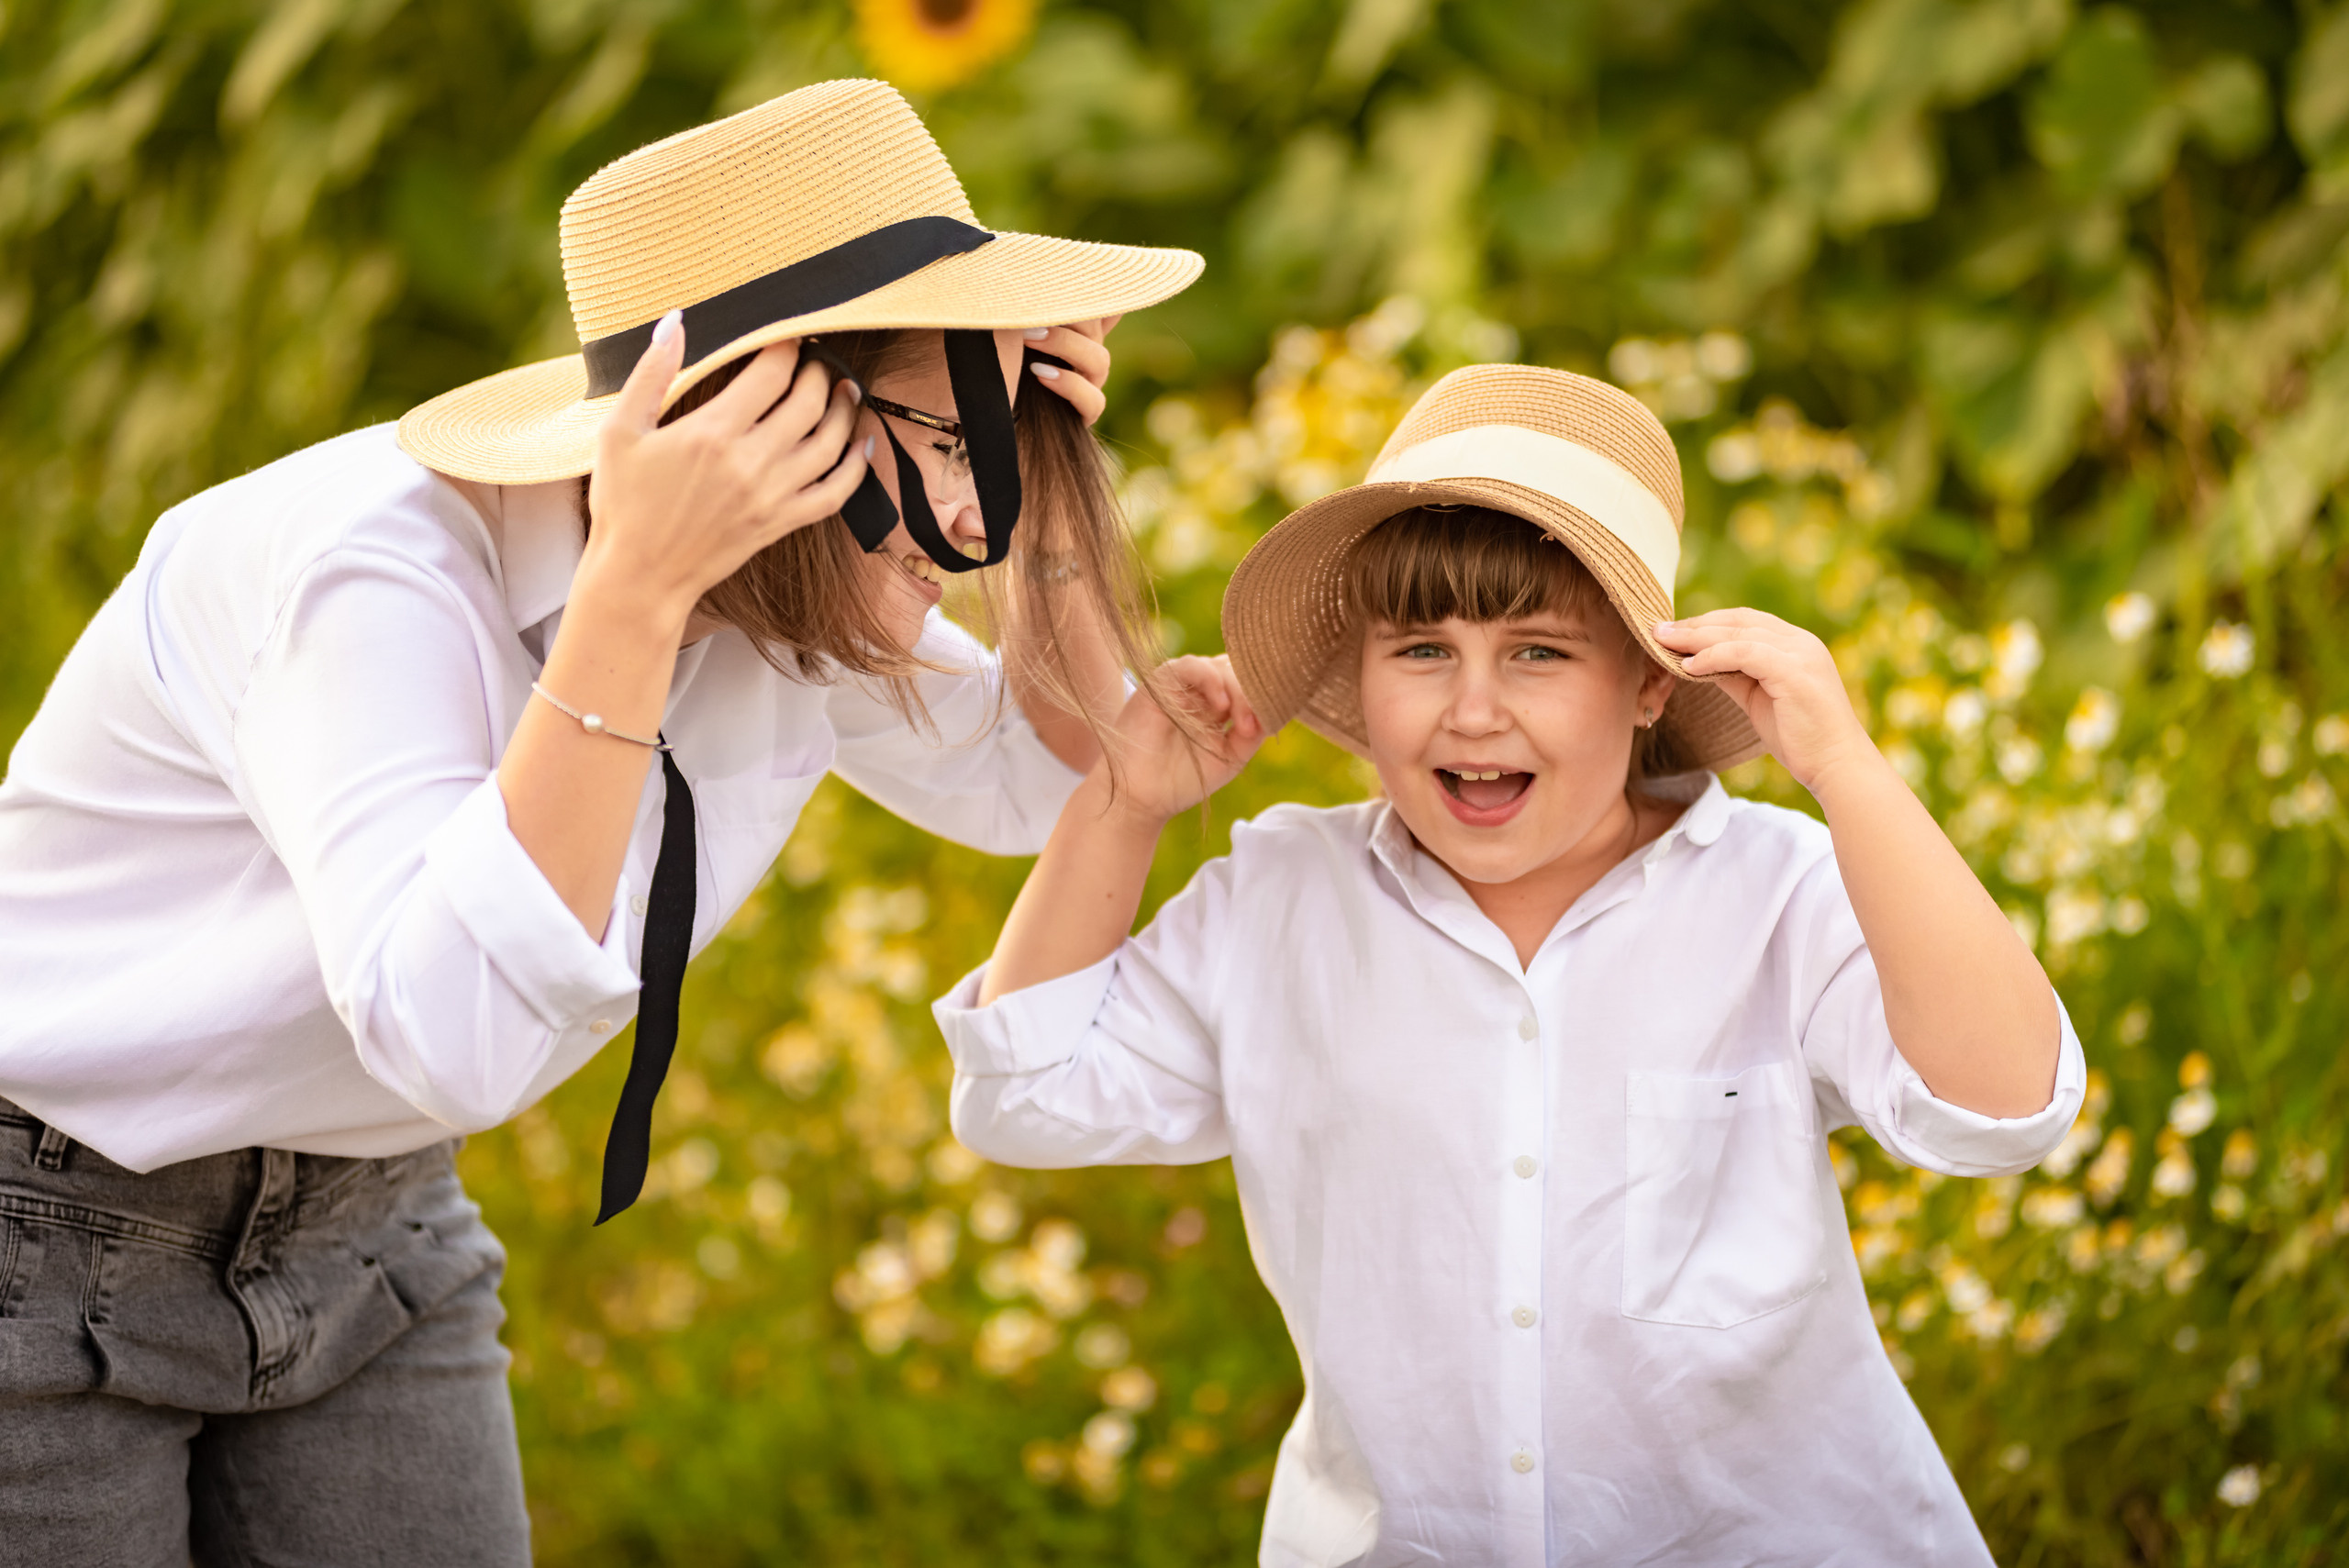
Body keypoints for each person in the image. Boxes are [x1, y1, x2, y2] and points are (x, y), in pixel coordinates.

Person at [0, 79, 1198, 1564]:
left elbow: (1041, 772)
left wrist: (1049, 482)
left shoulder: (781, 592)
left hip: (371, 1219)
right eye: (958, 453)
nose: (976, 533)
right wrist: (631, 594)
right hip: (41, 1228)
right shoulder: (376, 575)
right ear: (773, 424)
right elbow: (460, 1036)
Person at [934, 363, 2087, 1565]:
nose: (1473, 711)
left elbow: (2002, 1111)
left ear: (1650, 681)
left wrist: (1846, 767)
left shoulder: (1778, 890)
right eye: (1422, 649)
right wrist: (1122, 801)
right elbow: (1023, 1093)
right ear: (1363, 677)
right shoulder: (1282, 901)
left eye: (1539, 652)